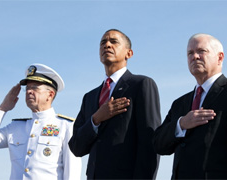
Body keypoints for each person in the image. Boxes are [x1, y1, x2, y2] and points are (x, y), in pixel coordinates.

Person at [69, 29, 161, 179]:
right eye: (103, 43)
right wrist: (96, 119)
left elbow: (149, 142)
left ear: (129, 53)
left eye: (114, 42)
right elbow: (76, 147)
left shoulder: (141, 84)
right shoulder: (90, 97)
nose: (107, 45)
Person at [0, 63, 81, 180]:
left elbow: (72, 172)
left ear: (50, 95)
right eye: (27, 88)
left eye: (35, 88)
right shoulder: (16, 127)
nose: (29, 91)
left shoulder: (66, 126)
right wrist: (3, 108)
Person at [153, 33, 227, 179]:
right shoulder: (179, 103)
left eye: (201, 51)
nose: (195, 57)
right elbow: (158, 144)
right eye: (190, 53)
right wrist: (181, 124)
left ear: (220, 57)